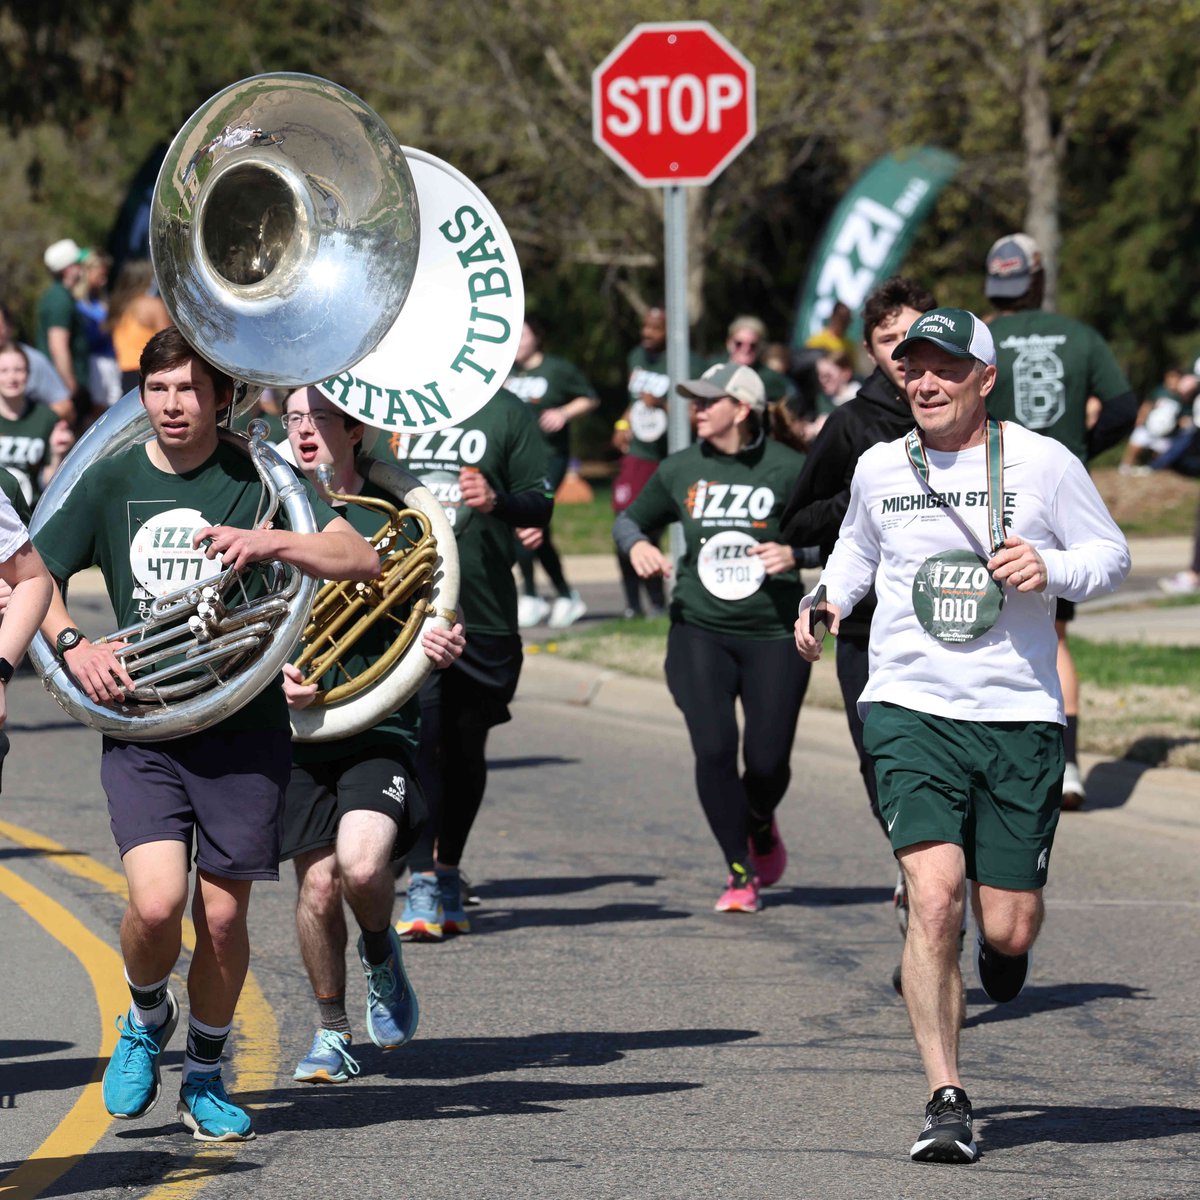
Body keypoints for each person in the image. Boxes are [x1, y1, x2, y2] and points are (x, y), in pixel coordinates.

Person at [794, 306, 1130, 1163]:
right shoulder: (880, 465)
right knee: (935, 895)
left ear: (986, 377)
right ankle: (945, 1097)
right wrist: (826, 599)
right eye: (914, 367)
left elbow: (1111, 556)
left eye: (946, 368)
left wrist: (1051, 567)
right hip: (910, 707)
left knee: (1008, 927)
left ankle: (1003, 949)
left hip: (1017, 715)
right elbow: (855, 551)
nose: (927, 382)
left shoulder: (1044, 463)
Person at [33, 327, 379, 1142]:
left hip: (241, 728)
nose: (171, 404)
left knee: (222, 921)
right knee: (156, 907)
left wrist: (271, 539)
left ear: (222, 397)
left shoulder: (263, 476)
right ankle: (145, 1015)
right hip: (147, 722)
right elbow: (32, 573)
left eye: (188, 389)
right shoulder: (113, 475)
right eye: (157, 390)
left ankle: (205, 1074)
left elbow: (357, 556)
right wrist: (74, 645)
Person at [278, 386, 465, 1083]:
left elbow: (438, 612)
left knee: (360, 868)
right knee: (318, 888)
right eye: (293, 418)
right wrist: (275, 681)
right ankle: (331, 1030)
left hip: (377, 723)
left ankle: (381, 950)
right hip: (298, 732)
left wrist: (444, 640)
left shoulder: (400, 518)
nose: (303, 430)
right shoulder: (269, 513)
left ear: (355, 429)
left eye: (320, 418)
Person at [615, 363, 810, 913]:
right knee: (715, 748)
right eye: (694, 401)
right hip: (699, 629)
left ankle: (759, 820)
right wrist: (638, 546)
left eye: (707, 402)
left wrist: (795, 554)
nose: (696, 410)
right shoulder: (681, 468)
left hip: (774, 632)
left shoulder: (789, 468)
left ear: (741, 409)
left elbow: (845, 534)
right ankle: (739, 869)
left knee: (767, 763)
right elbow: (629, 521)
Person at [780, 275, 937, 932]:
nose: (902, 350)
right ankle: (918, 875)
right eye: (887, 338)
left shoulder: (972, 416)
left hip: (957, 623)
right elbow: (797, 521)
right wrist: (868, 498)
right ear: (869, 351)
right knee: (884, 762)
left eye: (913, 333)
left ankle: (952, 882)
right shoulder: (852, 424)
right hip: (870, 629)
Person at [386, 387, 554, 938]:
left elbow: (540, 502)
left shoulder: (507, 412)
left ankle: (447, 869)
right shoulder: (391, 403)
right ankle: (420, 876)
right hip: (406, 612)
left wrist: (496, 501)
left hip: (485, 613)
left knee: (464, 751)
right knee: (421, 742)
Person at [983, 233, 1137, 809]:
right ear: (1040, 279)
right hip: (1057, 499)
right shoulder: (1080, 336)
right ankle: (1067, 767)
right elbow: (1123, 407)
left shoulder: (983, 338)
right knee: (1055, 633)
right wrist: (1084, 447)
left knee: (983, 621)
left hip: (991, 492)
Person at [504, 319, 598, 628]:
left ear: (537, 337)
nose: (517, 341)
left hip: (549, 459)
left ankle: (532, 595)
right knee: (533, 527)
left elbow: (589, 396)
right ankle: (564, 595)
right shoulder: (505, 371)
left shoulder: (556, 369)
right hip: (515, 460)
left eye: (523, 334)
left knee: (526, 520)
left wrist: (564, 412)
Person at [611, 305, 701, 619]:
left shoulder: (688, 363)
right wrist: (622, 425)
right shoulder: (636, 357)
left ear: (670, 330)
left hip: (665, 458)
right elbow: (633, 403)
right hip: (637, 455)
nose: (646, 333)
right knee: (624, 525)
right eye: (644, 326)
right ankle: (632, 605)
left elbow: (697, 418)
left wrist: (662, 405)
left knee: (650, 531)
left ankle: (658, 602)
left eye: (654, 328)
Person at [0, 342, 76, 506]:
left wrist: (57, 454)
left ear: (28, 374)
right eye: (4, 371)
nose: (12, 378)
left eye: (18, 370)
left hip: (33, 510)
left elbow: (50, 483)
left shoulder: (46, 418)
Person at [36, 238, 92, 427]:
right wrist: (71, 388)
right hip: (63, 389)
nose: (82, 268)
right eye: (78, 264)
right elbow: (57, 346)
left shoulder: (61, 296)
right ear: (68, 270)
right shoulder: (59, 299)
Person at [108, 260, 172, 394]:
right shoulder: (152, 305)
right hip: (148, 369)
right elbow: (169, 341)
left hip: (124, 372)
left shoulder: (118, 306)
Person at [0, 300, 71, 416]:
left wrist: (34, 423)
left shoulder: (31, 360)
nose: (11, 377)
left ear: (10, 327)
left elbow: (64, 406)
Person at [74, 249, 123, 411]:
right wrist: (105, 327)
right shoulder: (78, 303)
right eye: (100, 275)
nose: (104, 281)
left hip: (111, 359)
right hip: (95, 363)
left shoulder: (101, 300)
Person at [722, 315, 795, 404]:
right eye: (739, 344)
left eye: (752, 345)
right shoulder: (713, 369)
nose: (746, 349)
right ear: (729, 343)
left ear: (760, 346)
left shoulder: (771, 379)